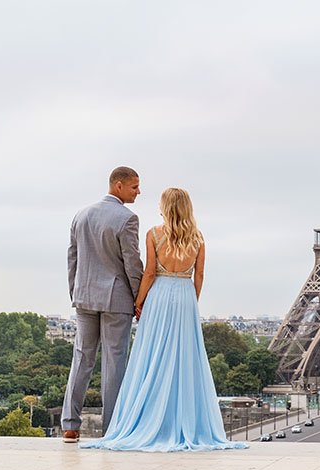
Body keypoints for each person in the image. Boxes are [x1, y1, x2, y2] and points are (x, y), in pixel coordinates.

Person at [82, 188, 247, 452]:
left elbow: (148, 273)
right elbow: (200, 275)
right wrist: (192, 300)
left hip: (159, 296)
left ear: (165, 207)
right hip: (185, 296)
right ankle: (182, 420)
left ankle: (149, 418)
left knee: (152, 356)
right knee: (185, 359)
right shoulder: (198, 238)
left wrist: (139, 302)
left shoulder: (154, 234)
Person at [61, 166, 143, 442]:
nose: (138, 192)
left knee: (81, 359)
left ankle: (70, 425)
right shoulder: (127, 219)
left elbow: (72, 258)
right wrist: (138, 297)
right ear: (118, 185)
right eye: (134, 187)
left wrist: (76, 291)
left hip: (84, 296)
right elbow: (132, 264)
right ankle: (112, 428)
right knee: (114, 364)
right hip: (116, 299)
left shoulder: (81, 215)